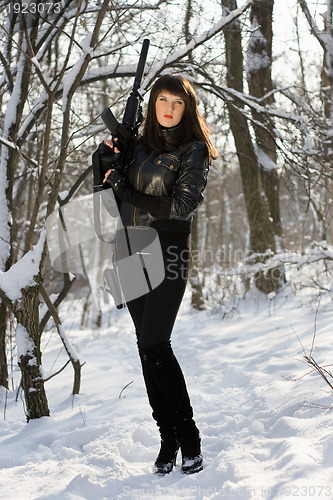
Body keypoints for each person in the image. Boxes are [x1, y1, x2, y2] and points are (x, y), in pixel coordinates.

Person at [101, 74, 218, 475]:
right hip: (128, 249)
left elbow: (182, 206)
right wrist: (105, 162)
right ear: (152, 105)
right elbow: (106, 205)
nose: (168, 108)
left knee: (156, 343)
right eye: (162, 100)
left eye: (177, 103)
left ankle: (189, 437)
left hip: (166, 250)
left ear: (187, 109)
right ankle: (167, 439)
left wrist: (125, 189)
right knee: (144, 346)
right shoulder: (135, 147)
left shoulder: (193, 150)